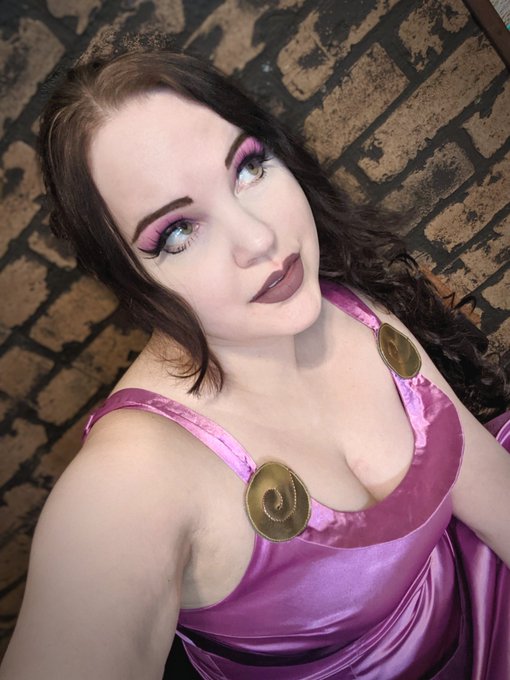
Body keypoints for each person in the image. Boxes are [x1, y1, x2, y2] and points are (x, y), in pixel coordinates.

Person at [1, 48, 509, 680]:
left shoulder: (348, 309)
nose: (260, 239)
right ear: (126, 275)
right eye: (178, 232)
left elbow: (493, 492)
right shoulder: (129, 485)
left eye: (247, 167)